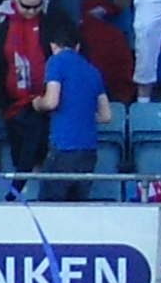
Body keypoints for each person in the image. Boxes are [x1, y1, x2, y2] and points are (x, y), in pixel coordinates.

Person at [32, 15, 109, 199]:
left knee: (51, 206)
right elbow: (106, 115)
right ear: (77, 46)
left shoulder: (56, 62)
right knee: (78, 207)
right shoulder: (92, 70)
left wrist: (37, 103)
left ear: (53, 46)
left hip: (63, 147)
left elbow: (51, 101)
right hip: (88, 150)